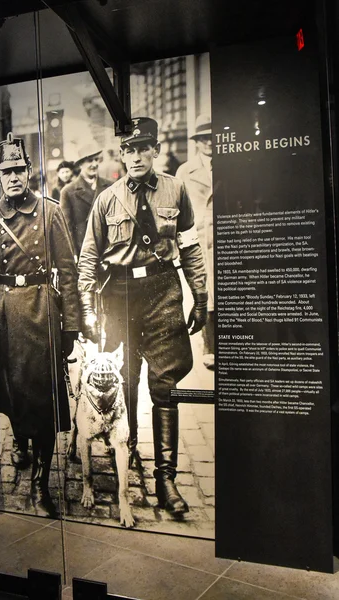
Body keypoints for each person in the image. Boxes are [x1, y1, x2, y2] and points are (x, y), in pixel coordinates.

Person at [78, 117, 208, 518]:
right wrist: (85, 306)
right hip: (118, 297)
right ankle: (129, 451)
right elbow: (87, 257)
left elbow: (189, 245)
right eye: (128, 150)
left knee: (164, 384)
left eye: (142, 148)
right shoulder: (106, 199)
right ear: (121, 155)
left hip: (162, 292)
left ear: (155, 150)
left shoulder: (177, 189)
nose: (136, 156)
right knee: (125, 379)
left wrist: (200, 294)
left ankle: (165, 479)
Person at [0, 132, 80, 518]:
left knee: (45, 398)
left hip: (41, 309)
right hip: (4, 313)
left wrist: (71, 326)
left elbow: (68, 270)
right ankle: (19, 439)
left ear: (29, 171)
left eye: (19, 169)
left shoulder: (50, 212)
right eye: (7, 172)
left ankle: (40, 482)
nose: (14, 177)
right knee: (12, 391)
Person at [176, 114, 214, 369]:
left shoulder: (235, 164)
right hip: (200, 237)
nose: (209, 143)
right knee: (205, 291)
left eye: (212, 137)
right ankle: (209, 347)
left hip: (229, 236)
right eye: (204, 139)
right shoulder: (185, 171)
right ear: (197, 142)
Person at [60, 143, 112, 258]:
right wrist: (73, 254)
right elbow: (67, 229)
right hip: (84, 251)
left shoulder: (110, 186)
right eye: (89, 161)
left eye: (96, 160)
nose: (94, 164)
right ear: (80, 164)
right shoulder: (68, 191)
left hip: (109, 249)